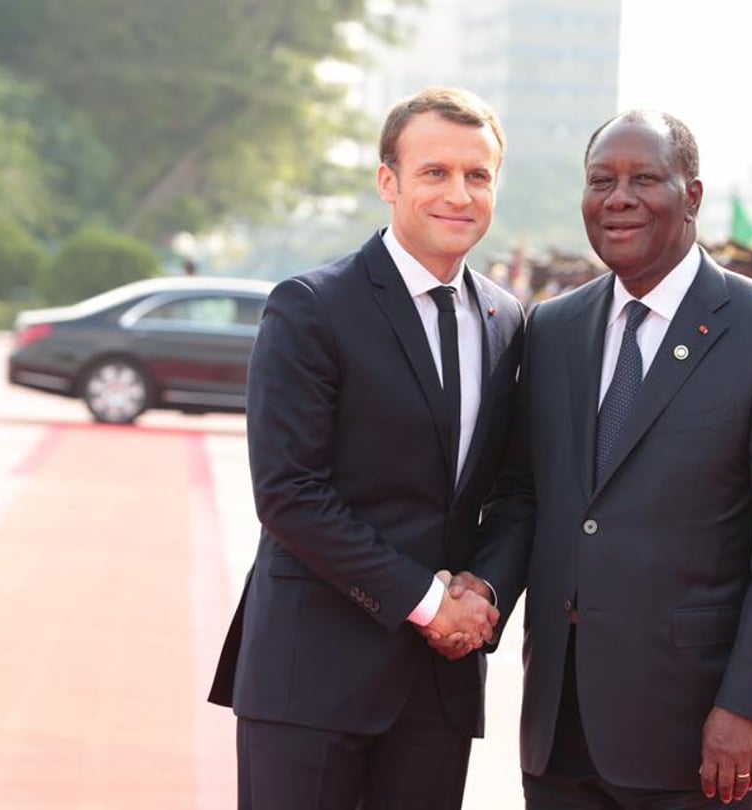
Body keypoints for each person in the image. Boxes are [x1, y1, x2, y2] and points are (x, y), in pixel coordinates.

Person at [441, 110, 752, 809]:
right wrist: (485, 591)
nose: (617, 198)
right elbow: (528, 494)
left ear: (691, 195)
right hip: (561, 728)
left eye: (643, 179)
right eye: (600, 181)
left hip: (702, 734)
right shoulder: (555, 328)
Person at [206, 86, 525, 810]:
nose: (459, 193)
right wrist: (424, 602)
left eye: (478, 176)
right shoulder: (312, 307)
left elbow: (515, 488)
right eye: (434, 172)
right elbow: (289, 492)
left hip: (436, 689)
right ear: (388, 181)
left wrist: (483, 590)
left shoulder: (507, 319)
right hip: (311, 673)